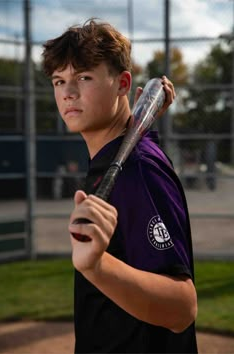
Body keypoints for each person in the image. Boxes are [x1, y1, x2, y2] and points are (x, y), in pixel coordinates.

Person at [42, 18, 198, 353]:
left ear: (123, 83)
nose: (68, 93)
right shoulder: (118, 158)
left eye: (84, 77)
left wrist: (98, 266)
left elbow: (183, 307)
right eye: (59, 81)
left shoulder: (137, 169)